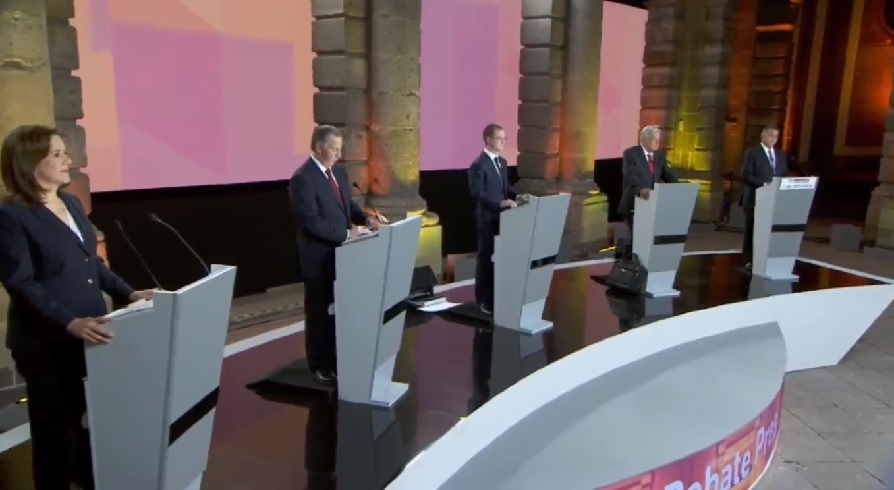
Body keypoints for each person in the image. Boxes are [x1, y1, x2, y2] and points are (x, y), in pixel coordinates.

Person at [0, 124, 153, 490]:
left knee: (89, 427)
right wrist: (69, 321)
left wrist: (130, 294)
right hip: (46, 342)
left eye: (64, 152)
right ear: (29, 163)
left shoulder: (70, 202)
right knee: (54, 434)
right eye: (57, 154)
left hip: (92, 334)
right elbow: (21, 283)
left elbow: (91, 264)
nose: (68, 160)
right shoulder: (11, 215)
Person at [289, 125, 380, 386]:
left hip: (343, 258)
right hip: (318, 259)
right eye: (334, 149)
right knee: (319, 313)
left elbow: (347, 205)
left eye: (340, 149)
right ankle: (319, 365)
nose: (339, 154)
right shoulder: (303, 178)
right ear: (318, 148)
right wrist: (347, 234)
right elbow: (310, 222)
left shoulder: (338, 172)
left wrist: (366, 218)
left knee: (337, 311)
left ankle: (337, 358)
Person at [468, 123, 521, 315]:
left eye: (504, 138)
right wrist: (500, 203)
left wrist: (518, 197)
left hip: (504, 219)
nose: (503, 142)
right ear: (488, 140)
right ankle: (483, 300)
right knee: (486, 258)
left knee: (501, 259)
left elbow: (505, 188)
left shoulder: (502, 163)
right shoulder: (478, 165)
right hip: (487, 219)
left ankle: (497, 297)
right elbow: (477, 193)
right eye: (499, 138)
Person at [618, 125, 678, 251]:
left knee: (649, 238)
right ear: (644, 139)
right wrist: (641, 189)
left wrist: (680, 188)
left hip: (653, 204)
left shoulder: (659, 156)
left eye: (658, 139)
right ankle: (632, 260)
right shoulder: (631, 154)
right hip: (634, 202)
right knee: (636, 238)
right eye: (654, 139)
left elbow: (668, 176)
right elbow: (630, 175)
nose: (657, 142)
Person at [740, 125, 788, 270]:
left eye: (776, 136)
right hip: (754, 199)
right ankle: (749, 260)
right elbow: (745, 174)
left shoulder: (780, 155)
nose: (774, 139)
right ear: (763, 136)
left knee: (769, 231)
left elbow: (783, 175)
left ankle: (766, 259)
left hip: (772, 200)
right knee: (752, 231)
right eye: (771, 135)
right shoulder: (752, 153)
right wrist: (764, 184)